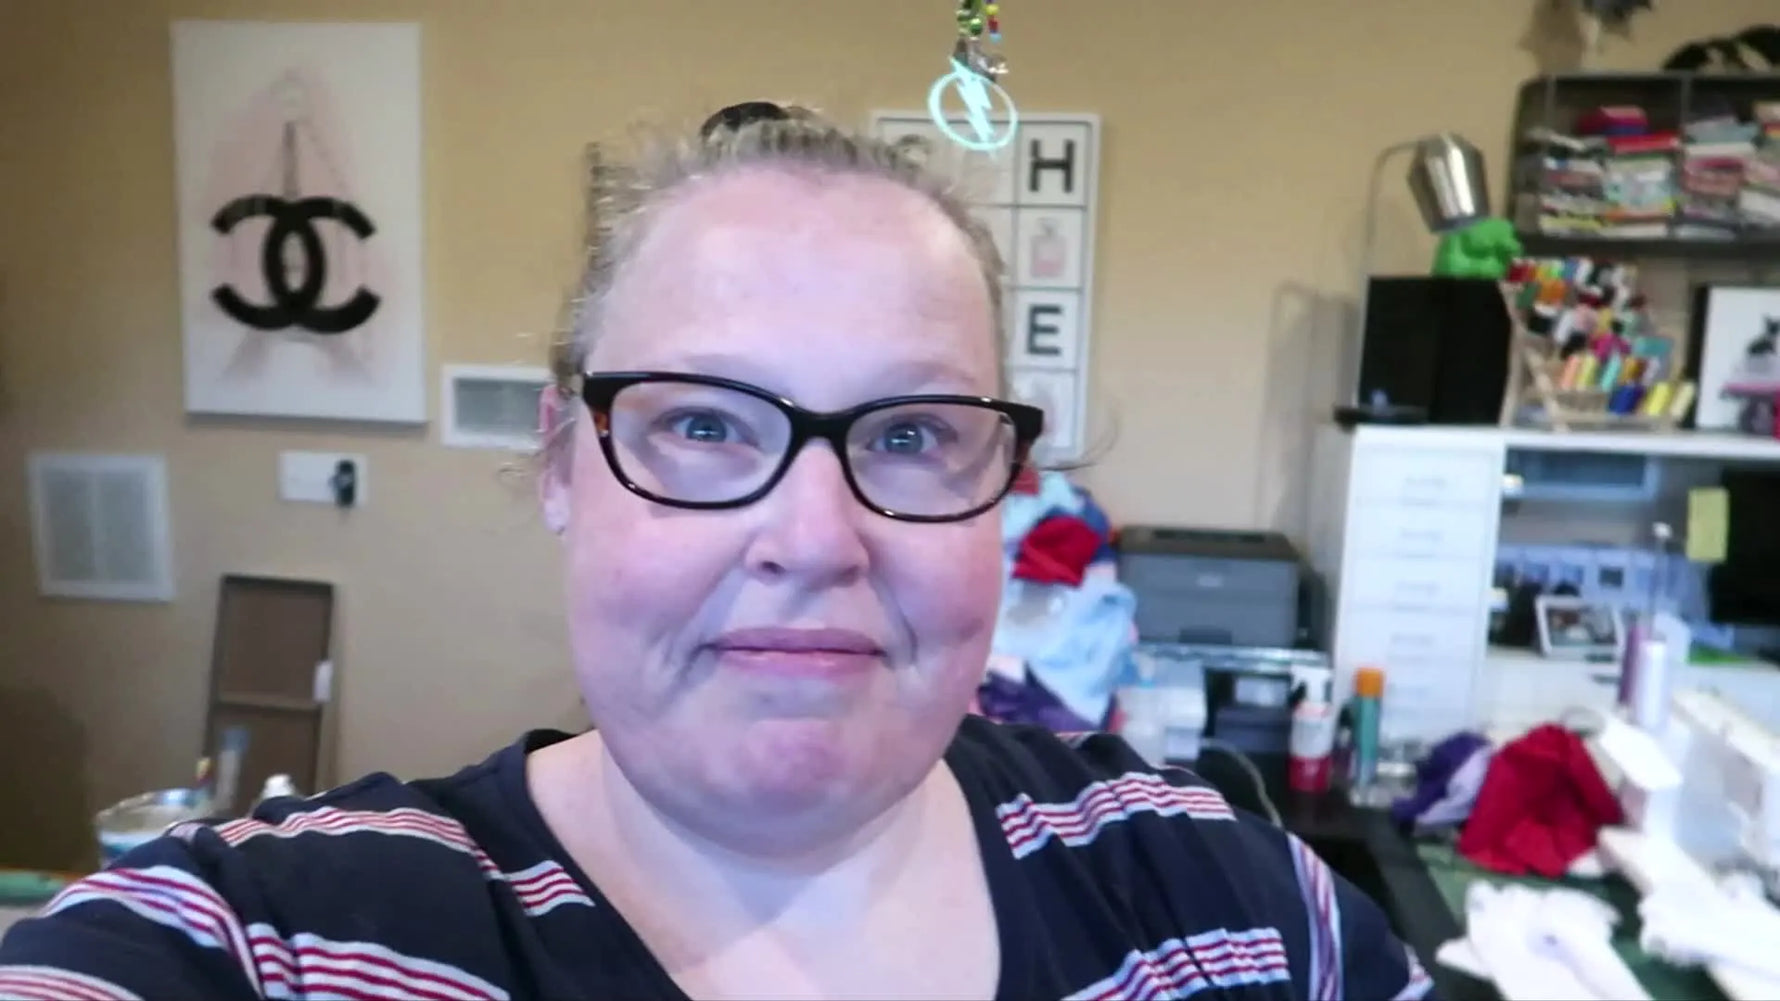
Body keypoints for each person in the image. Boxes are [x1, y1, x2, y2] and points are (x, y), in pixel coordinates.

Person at [0, 104, 1433, 1001]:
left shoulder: (1237, 911)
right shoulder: (275, 944)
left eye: (912, 434)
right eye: (701, 423)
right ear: (564, 461)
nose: (812, 540)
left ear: (1007, 484)